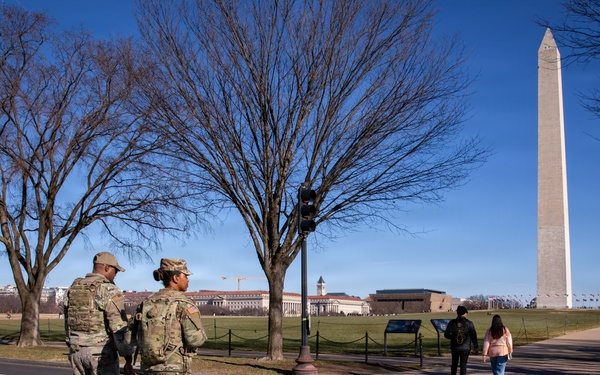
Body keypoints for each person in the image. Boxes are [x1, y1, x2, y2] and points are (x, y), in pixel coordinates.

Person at [132, 258, 207, 374]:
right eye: (185, 276)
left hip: (148, 368)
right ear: (176, 278)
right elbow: (195, 340)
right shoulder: (184, 304)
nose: (188, 280)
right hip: (174, 368)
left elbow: (129, 336)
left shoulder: (146, 303)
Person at [64, 252, 134, 375]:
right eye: (115, 271)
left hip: (76, 351)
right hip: (100, 354)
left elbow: (67, 321)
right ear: (107, 268)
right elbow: (118, 328)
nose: (115, 275)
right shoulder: (108, 289)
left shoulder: (74, 288)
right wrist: (128, 357)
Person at [444, 306, 479, 375]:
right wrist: (475, 347)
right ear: (464, 313)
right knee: (463, 364)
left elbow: (446, 334)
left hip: (454, 346)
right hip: (465, 347)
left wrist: (453, 337)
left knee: (454, 363)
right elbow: (473, 336)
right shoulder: (469, 323)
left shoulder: (452, 322)